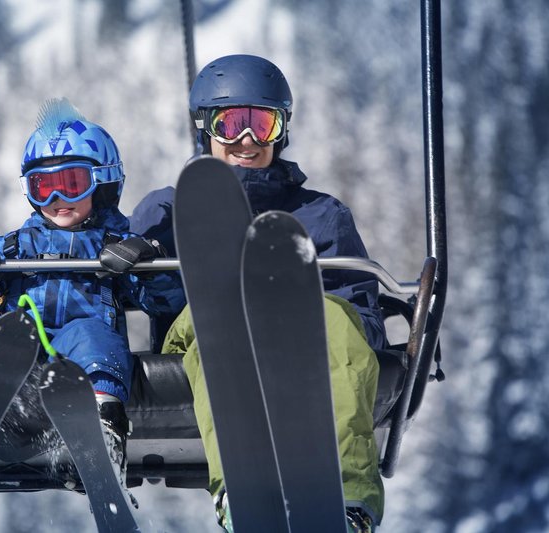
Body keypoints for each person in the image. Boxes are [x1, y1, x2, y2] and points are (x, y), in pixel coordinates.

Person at [130, 54, 385, 532]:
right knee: (222, 318)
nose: (247, 141)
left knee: (331, 317)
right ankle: (243, 494)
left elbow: (360, 311)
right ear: (206, 129)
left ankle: (344, 503)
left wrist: (320, 313)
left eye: (262, 125)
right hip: (204, 331)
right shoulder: (167, 208)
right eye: (232, 125)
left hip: (305, 337)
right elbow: (139, 295)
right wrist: (137, 258)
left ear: (281, 131)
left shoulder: (322, 215)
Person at [0, 97, 186, 482]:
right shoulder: (18, 245)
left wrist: (147, 262)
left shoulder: (115, 246)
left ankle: (103, 420)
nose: (56, 201)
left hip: (82, 342)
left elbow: (164, 301)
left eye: (71, 185)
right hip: (23, 339)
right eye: (43, 188)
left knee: (93, 337)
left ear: (102, 183)